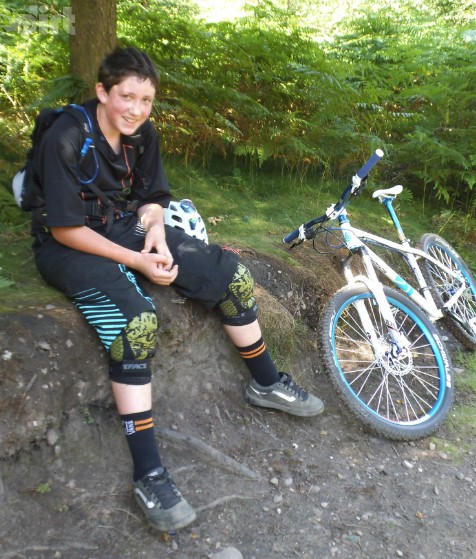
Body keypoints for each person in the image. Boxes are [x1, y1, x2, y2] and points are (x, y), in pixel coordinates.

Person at [32, 46, 324, 533]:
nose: (136, 109)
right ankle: (149, 475)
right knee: (136, 322)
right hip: (68, 244)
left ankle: (267, 383)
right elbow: (64, 228)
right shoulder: (68, 135)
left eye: (146, 100)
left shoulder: (142, 134)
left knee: (232, 275)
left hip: (124, 226)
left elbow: (151, 200)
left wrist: (156, 236)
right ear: (102, 91)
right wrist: (135, 261)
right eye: (127, 97)